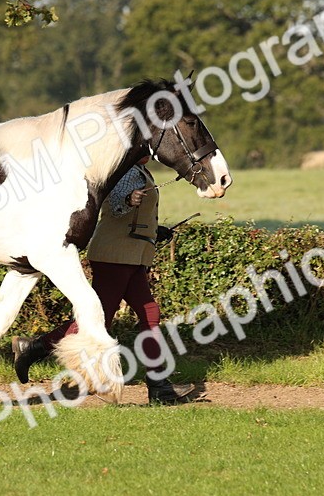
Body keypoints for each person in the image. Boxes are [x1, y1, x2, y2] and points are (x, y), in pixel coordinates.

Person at [11, 156, 199, 404]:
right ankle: (36, 349)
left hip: (131, 254)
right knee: (99, 319)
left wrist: (155, 231)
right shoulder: (126, 171)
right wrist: (128, 200)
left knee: (149, 313)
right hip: (115, 255)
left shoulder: (140, 170)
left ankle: (158, 386)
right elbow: (116, 204)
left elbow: (134, 215)